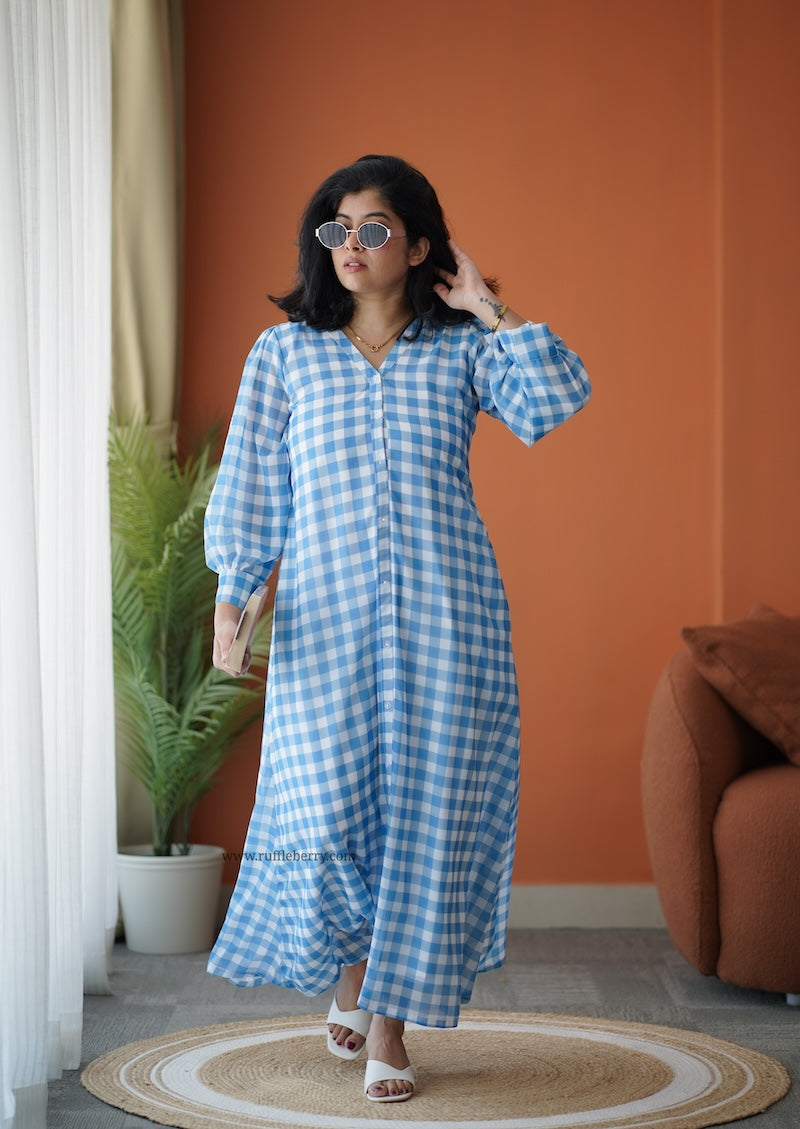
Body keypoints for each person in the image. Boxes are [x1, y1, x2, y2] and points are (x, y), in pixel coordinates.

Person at [205, 154, 590, 1103]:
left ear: (418, 246)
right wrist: (234, 597)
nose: (352, 246)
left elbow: (554, 401)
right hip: (324, 629)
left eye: (374, 229)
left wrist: (485, 305)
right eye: (337, 229)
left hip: (449, 623)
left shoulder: (461, 350)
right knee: (331, 811)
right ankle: (351, 975)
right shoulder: (285, 354)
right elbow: (252, 487)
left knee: (425, 816)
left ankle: (388, 1024)